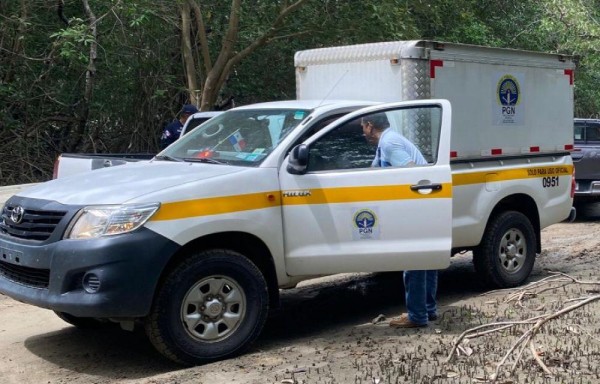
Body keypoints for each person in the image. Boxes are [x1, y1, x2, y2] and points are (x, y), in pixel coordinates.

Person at [361, 112, 438, 328]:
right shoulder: (388, 141)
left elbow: (411, 171)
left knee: (413, 261)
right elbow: (373, 172)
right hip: (427, 204)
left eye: (362, 127)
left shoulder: (389, 143)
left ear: (369, 125)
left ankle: (417, 316)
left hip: (416, 207)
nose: (362, 132)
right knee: (426, 260)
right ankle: (428, 311)